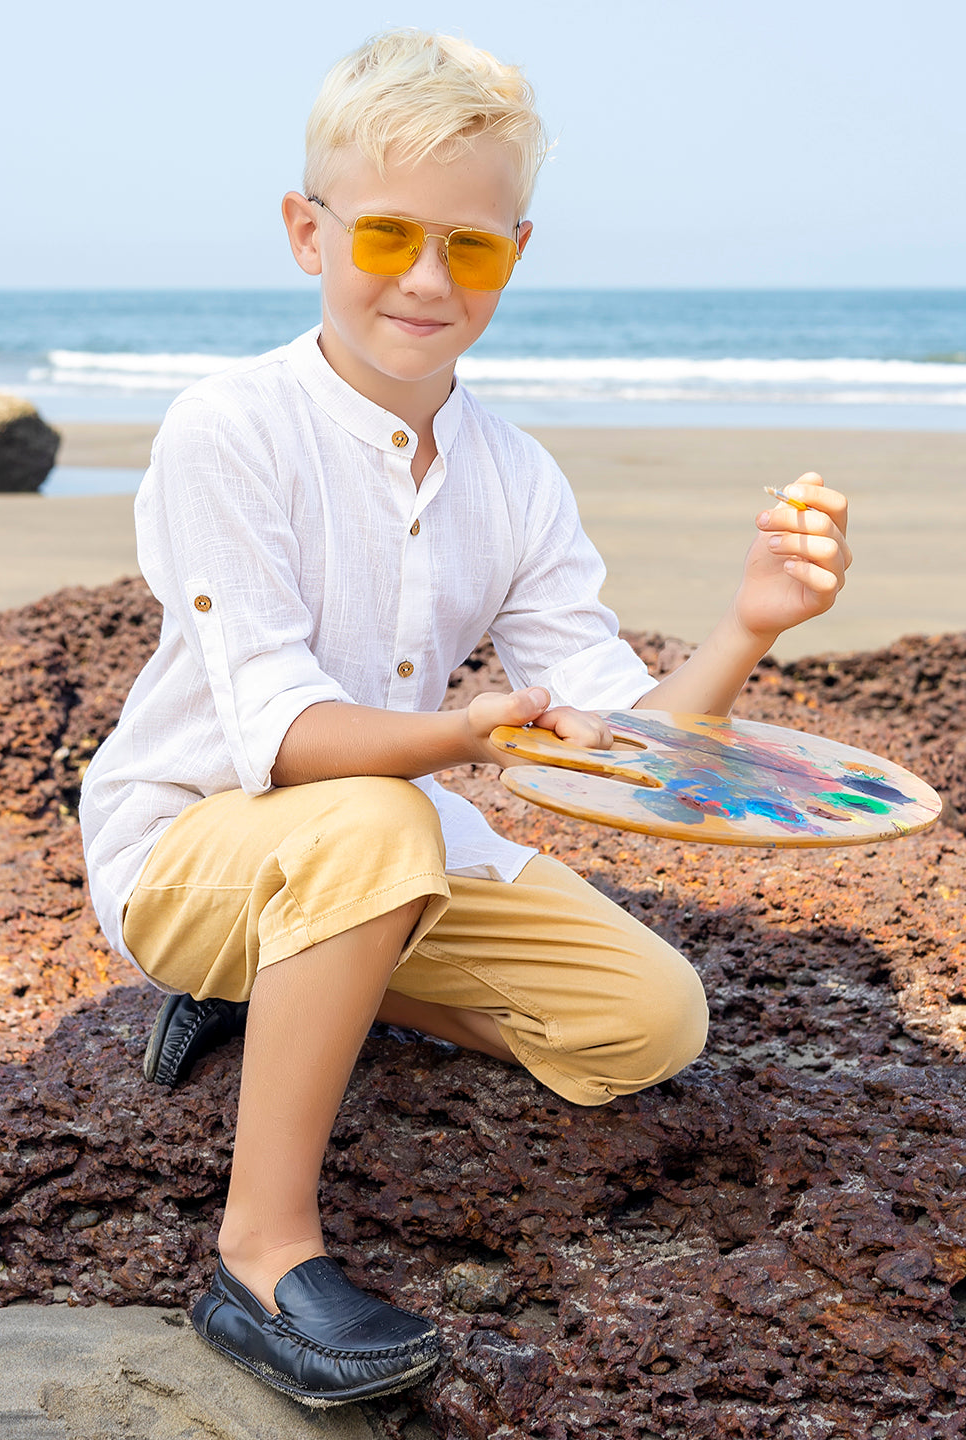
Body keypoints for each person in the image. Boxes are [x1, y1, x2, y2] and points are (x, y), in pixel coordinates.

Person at [79, 28, 851, 1409]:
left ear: (517, 251)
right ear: (305, 229)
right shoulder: (229, 428)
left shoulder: (516, 474)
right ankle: (258, 1258)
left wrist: (748, 625)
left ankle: (301, 984)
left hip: (384, 849)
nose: (428, 280)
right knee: (375, 812)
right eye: (386, 234)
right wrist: (473, 732)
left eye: (473, 248)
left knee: (648, 1023)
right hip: (196, 845)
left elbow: (624, 740)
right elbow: (291, 733)